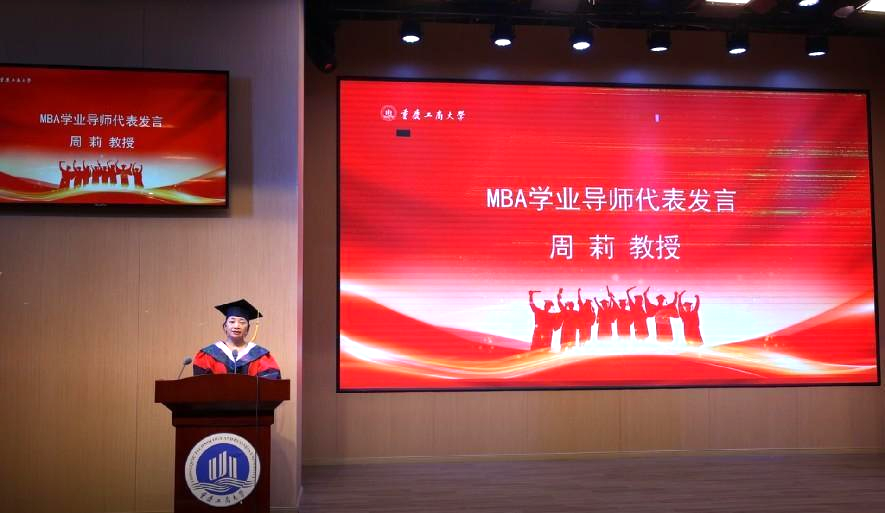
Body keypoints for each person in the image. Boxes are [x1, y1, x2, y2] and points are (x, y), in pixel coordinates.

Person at [193, 298, 282, 379]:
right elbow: (200, 386)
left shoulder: (260, 356)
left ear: (248, 329)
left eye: (242, 322)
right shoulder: (209, 355)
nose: (236, 326)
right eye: (232, 321)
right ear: (225, 327)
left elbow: (271, 384)